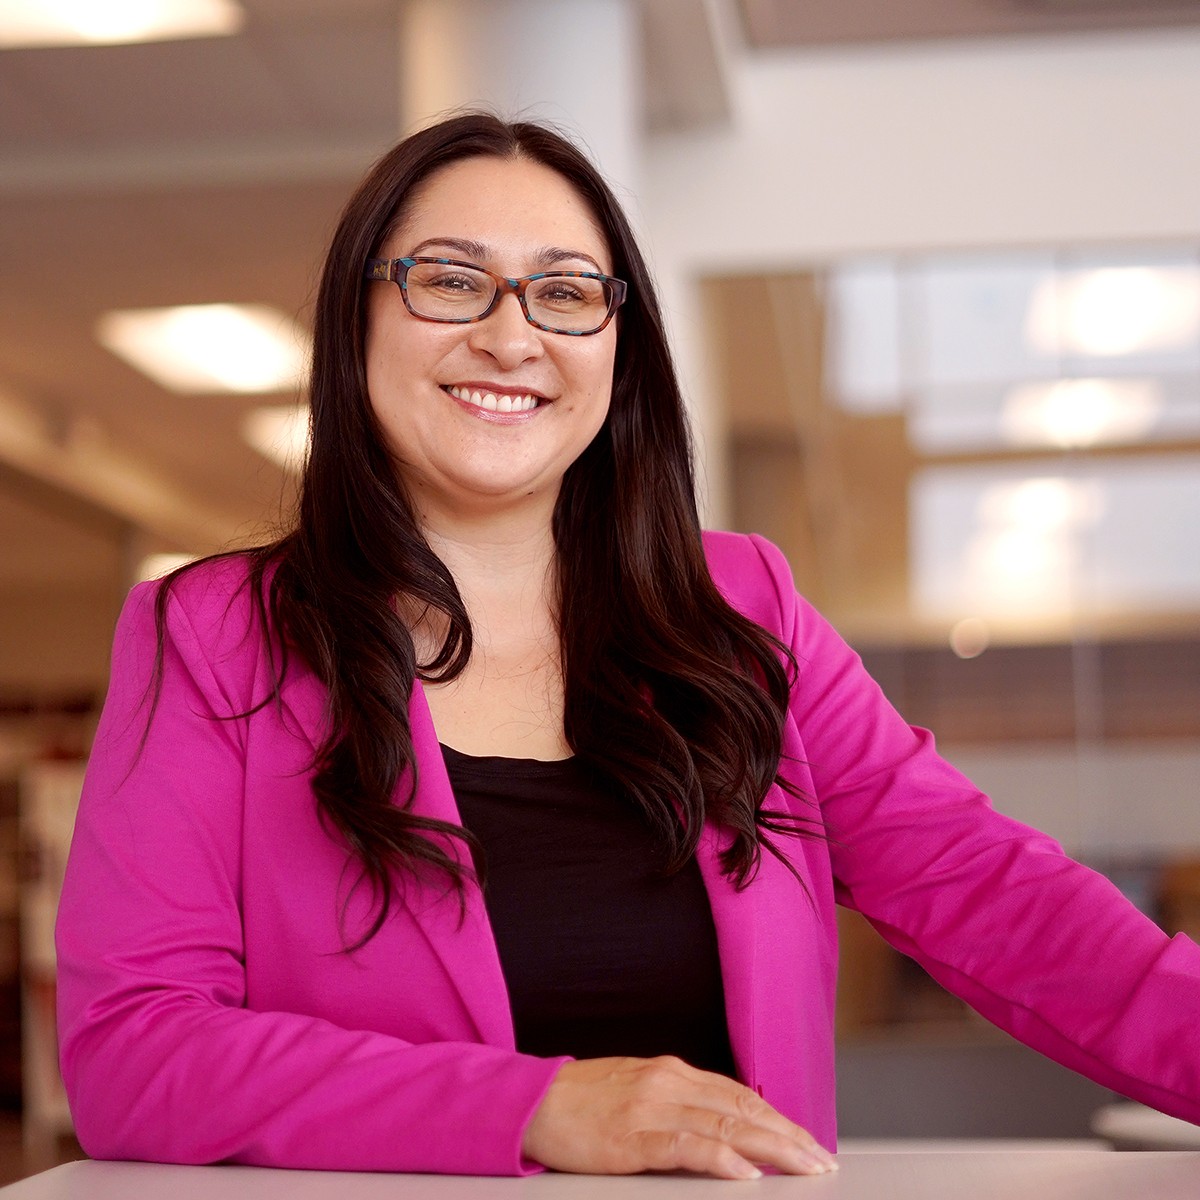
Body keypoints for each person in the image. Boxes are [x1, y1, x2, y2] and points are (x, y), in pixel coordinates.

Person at [56, 112, 1200, 1180]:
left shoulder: (742, 612)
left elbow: (988, 891)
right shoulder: (212, 638)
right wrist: (534, 1107)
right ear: (356, 319)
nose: (511, 336)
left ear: (618, 344)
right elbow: (135, 1053)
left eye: (565, 293)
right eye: (451, 281)